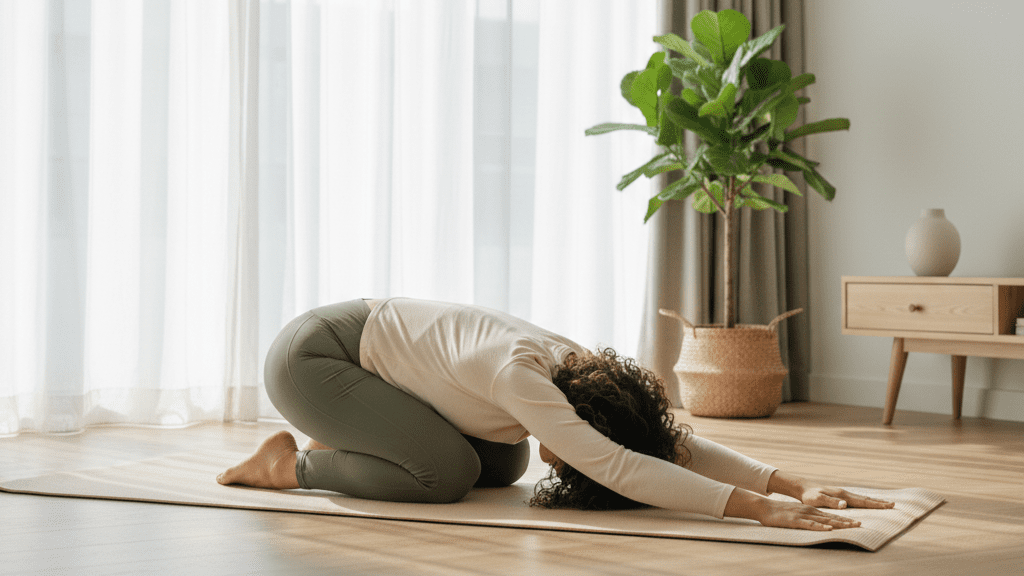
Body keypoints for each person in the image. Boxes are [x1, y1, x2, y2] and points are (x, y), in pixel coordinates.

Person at [218, 297, 894, 531]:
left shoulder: (575, 370)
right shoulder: (524, 378)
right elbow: (621, 464)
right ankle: (290, 464)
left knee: (504, 459)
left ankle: (352, 429)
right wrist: (756, 511)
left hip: (359, 357)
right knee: (444, 476)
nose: (573, 460)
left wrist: (784, 481)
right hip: (311, 358)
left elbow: (652, 446)